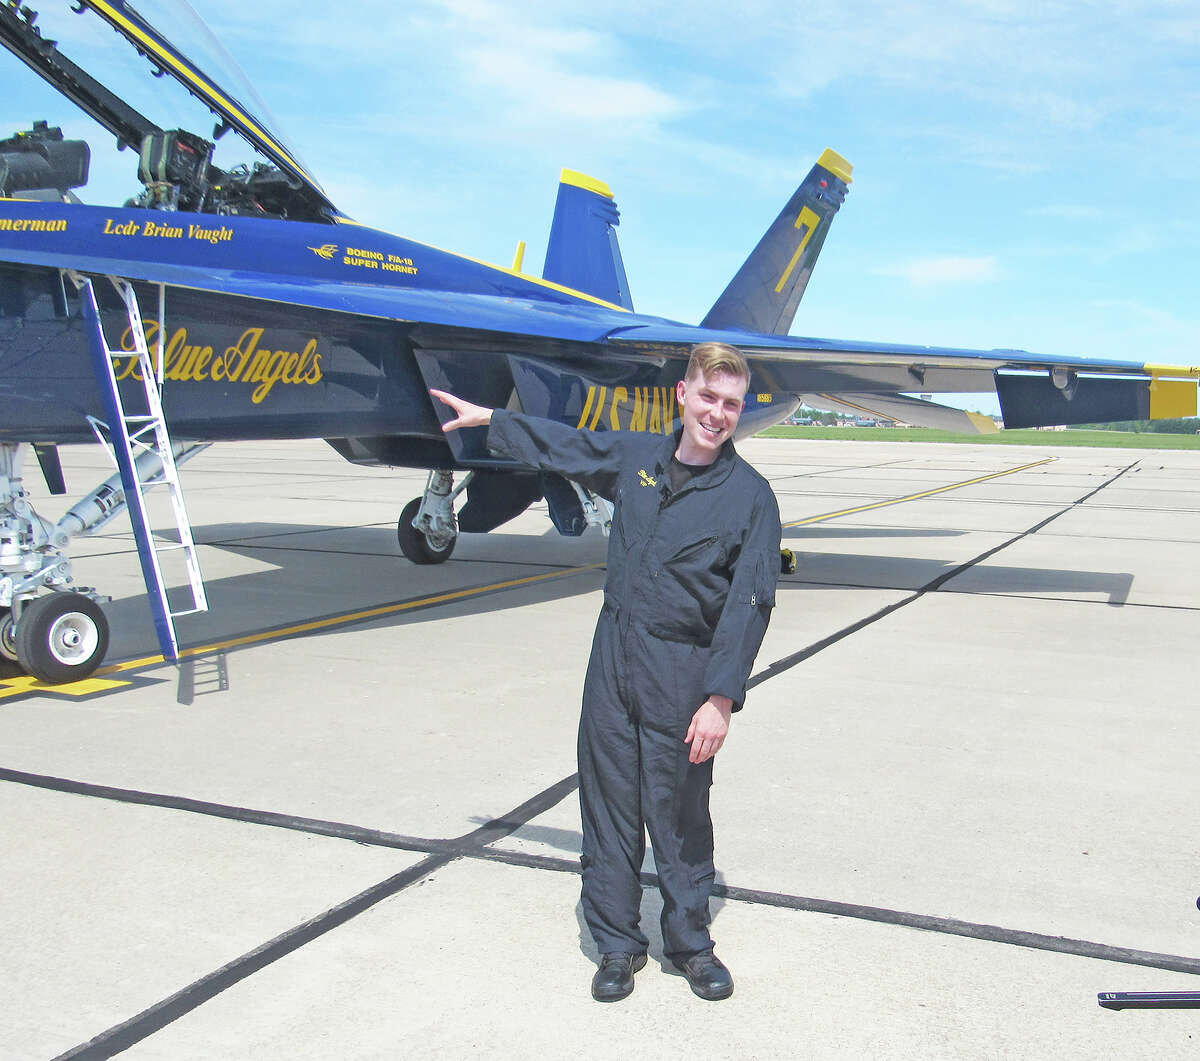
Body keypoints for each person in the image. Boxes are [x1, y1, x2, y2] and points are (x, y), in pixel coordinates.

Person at [431, 342, 780, 1003]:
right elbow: (568, 447)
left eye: (731, 404)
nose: (717, 413)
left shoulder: (750, 498)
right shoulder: (636, 461)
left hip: (684, 669)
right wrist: (492, 421)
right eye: (708, 397)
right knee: (610, 807)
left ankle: (691, 944)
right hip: (613, 658)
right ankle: (617, 943)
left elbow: (750, 603)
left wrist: (721, 698)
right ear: (683, 394)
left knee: (678, 813)